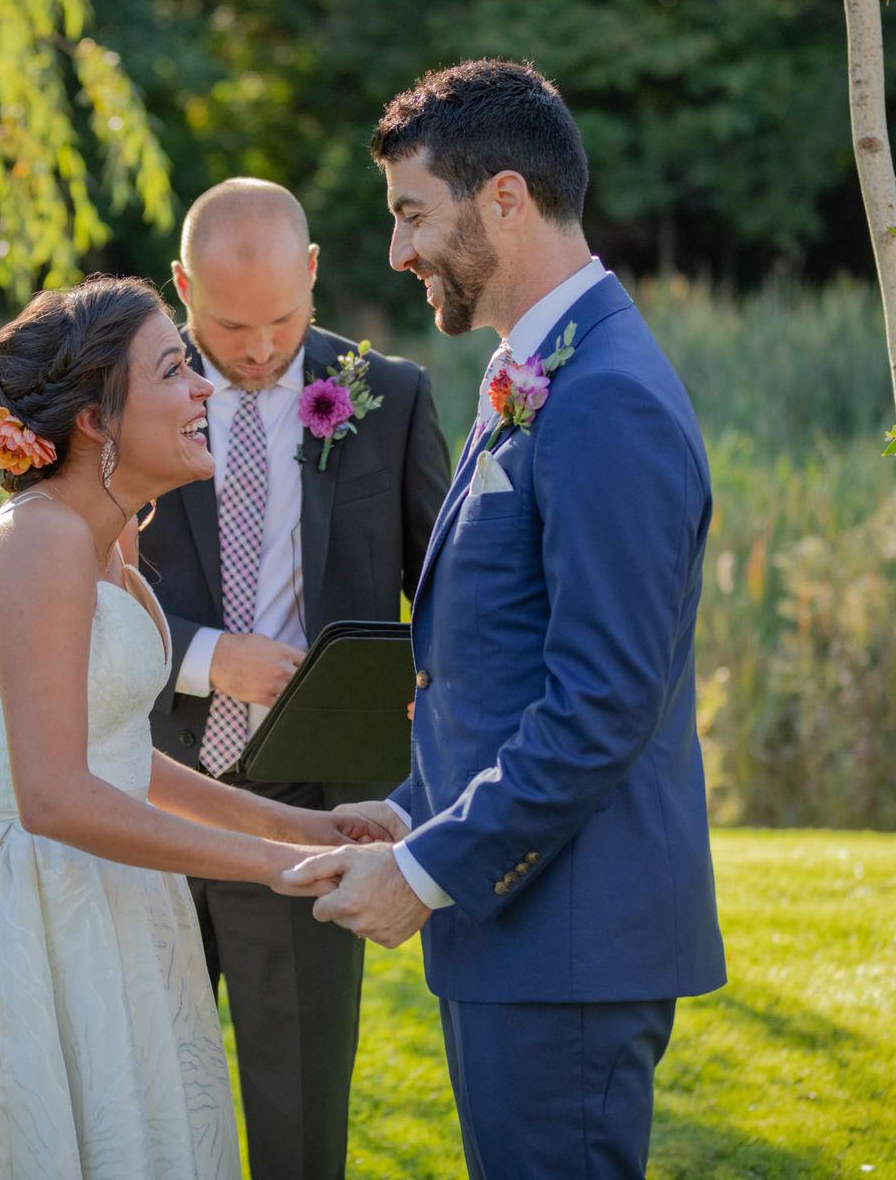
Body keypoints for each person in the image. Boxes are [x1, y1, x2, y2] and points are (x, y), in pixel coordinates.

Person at [292, 60, 727, 1179]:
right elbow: (508, 658)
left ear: (504, 199)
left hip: (567, 947)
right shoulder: (535, 372)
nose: (395, 252)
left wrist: (432, 867)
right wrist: (409, 809)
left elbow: (602, 703)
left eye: (410, 213)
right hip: (523, 937)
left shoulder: (606, 396)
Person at [0, 275, 391, 1180]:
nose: (205, 391)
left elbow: (113, 753)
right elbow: (57, 797)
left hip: (117, 898)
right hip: (42, 910)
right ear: (99, 416)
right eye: (176, 371)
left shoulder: (107, 540)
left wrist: (293, 824)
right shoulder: (38, 543)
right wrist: (277, 869)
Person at [139, 177, 450, 1179]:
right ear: (181, 284)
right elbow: (73, 590)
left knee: (300, 1115)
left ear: (313, 272)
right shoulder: (121, 398)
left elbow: (447, 594)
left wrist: (416, 712)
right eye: (229, 323)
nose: (261, 346)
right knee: (133, 1099)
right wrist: (203, 654)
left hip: (310, 806)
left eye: (282, 316)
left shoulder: (389, 399)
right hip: (138, 790)